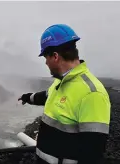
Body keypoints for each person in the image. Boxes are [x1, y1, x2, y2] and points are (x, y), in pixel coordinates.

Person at [18, 24, 111, 164]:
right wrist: (27, 97)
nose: (45, 63)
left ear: (55, 56)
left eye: (45, 57)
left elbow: (93, 153)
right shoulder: (60, 81)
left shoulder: (92, 93)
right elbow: (47, 96)